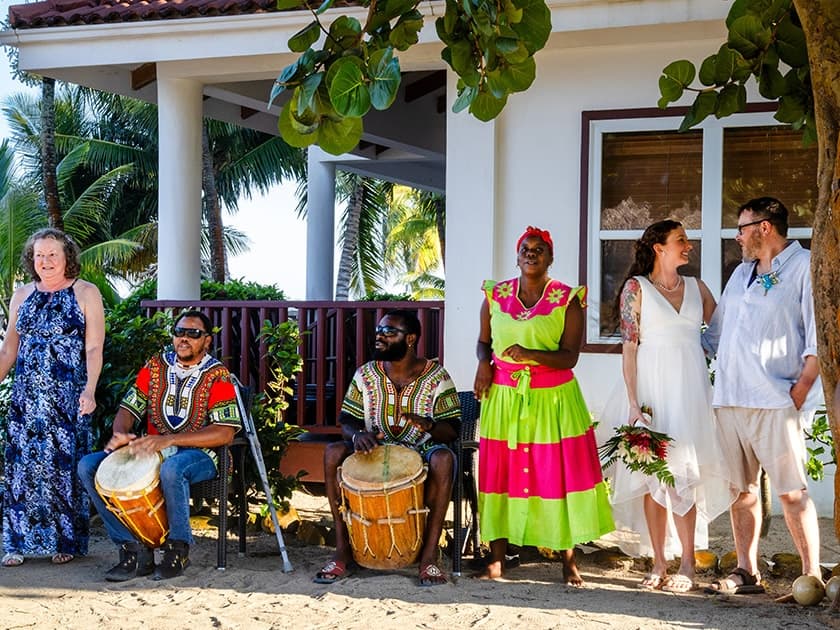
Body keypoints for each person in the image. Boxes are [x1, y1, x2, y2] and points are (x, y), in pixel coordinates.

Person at [473, 226, 615, 583]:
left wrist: (530, 354)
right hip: (504, 397)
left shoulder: (567, 299)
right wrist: (483, 364)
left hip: (553, 399)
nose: (531, 253)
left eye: (539, 249)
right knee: (501, 472)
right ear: (517, 255)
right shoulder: (495, 295)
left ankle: (568, 561)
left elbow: (569, 357)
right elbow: (484, 342)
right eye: (525, 248)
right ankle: (496, 560)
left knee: (556, 473)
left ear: (551, 257)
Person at [599, 220, 734, 593]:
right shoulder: (636, 288)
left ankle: (688, 564)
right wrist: (632, 403)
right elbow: (629, 348)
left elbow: (724, 332)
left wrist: (699, 353)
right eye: (681, 240)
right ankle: (659, 562)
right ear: (659, 248)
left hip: (690, 394)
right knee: (653, 476)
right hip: (651, 393)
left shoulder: (698, 288)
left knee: (685, 475)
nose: (688, 246)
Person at [704, 197, 821, 594]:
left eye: (742, 228)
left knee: (792, 493)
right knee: (742, 493)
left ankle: (812, 577)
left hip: (775, 398)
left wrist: (802, 387)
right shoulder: (741, 273)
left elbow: (818, 335)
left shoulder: (804, 267)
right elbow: (716, 334)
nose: (737, 237)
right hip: (730, 398)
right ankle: (746, 572)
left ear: (765, 227)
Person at [78, 310, 241, 581]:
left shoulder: (217, 375)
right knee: (88, 466)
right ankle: (131, 549)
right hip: (154, 449)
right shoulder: (156, 367)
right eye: (179, 332)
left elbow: (225, 433)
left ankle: (177, 550)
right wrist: (121, 434)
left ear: (207, 340)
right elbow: (128, 408)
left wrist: (170, 439)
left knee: (173, 469)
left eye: (193, 333)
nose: (184, 338)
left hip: (202, 454)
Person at [313, 310, 460, 587]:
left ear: (410, 339)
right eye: (379, 331)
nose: (379, 336)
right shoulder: (366, 373)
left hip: (420, 450)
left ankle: (429, 557)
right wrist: (357, 435)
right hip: (374, 448)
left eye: (389, 332)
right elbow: (347, 419)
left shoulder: (437, 377)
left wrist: (428, 425)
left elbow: (452, 428)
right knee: (333, 451)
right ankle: (342, 550)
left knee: (444, 458)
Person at [1, 228, 105, 568]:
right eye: (39, 255)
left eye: (52, 255)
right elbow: (9, 350)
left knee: (62, 468)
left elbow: (93, 347)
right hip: (26, 399)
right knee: (22, 468)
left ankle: (65, 541)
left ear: (66, 257)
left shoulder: (86, 292)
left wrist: (90, 389)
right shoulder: (21, 295)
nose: (45, 261)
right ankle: (16, 542)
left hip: (66, 397)